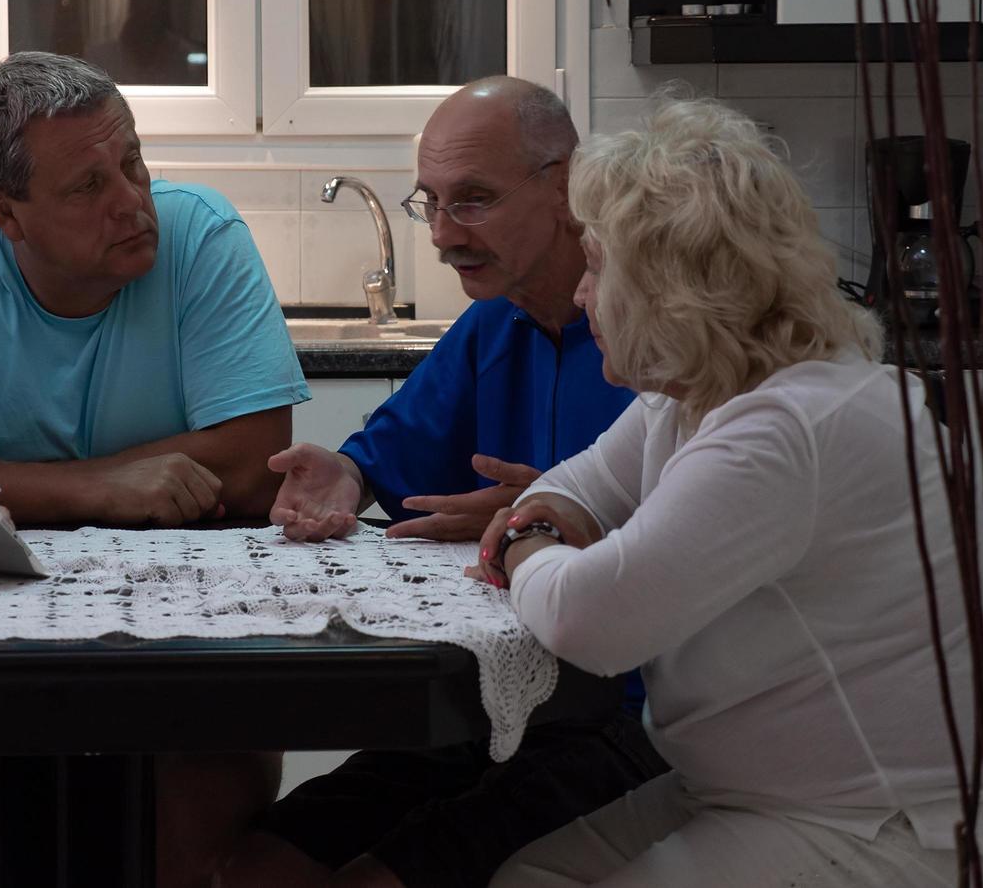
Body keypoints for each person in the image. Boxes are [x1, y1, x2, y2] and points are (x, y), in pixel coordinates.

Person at [481, 97, 983, 886]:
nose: (581, 297)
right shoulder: (697, 395)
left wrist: (523, 542)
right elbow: (572, 484)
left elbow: (591, 622)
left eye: (596, 267)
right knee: (527, 875)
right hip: (766, 796)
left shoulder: (787, 429)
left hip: (900, 830)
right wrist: (554, 520)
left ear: (667, 286)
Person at [221, 78, 667, 888]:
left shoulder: (663, 338)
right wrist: (344, 475)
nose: (441, 236)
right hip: (494, 704)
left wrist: (548, 517)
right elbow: (391, 457)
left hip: (629, 715)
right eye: (431, 202)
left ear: (565, 185)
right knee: (258, 866)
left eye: (474, 201)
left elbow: (685, 544)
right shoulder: (494, 318)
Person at [0, 51, 308, 528]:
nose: (131, 201)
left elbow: (259, 465)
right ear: (6, 212)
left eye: (131, 162)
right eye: (87, 187)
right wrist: (94, 490)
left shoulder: (201, 233)